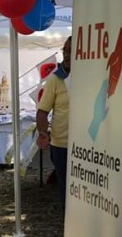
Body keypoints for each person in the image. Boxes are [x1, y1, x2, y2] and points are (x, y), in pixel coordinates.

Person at [36, 36, 72, 211]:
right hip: (62, 145)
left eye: (72, 51)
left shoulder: (91, 76)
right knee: (66, 188)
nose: (67, 54)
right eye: (65, 50)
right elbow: (42, 112)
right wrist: (43, 132)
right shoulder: (55, 79)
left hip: (88, 144)